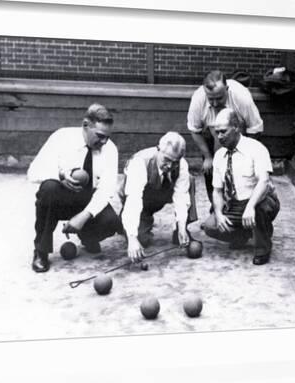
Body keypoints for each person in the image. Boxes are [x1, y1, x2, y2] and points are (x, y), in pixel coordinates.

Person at [27, 103, 122, 273]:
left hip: (87, 200)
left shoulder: (110, 149)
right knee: (48, 188)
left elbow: (106, 190)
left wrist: (84, 217)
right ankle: (41, 251)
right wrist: (61, 176)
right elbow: (33, 172)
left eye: (107, 136)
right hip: (61, 198)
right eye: (100, 136)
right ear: (86, 125)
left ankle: (87, 236)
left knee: (111, 221)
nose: (104, 141)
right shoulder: (62, 137)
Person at [201, 108, 279, 265]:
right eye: (217, 132)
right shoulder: (219, 155)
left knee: (259, 210)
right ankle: (244, 234)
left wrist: (250, 206)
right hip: (235, 204)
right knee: (210, 226)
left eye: (223, 131)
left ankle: (263, 247)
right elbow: (217, 190)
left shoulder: (256, 148)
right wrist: (218, 213)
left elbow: (263, 182)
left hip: (259, 200)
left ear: (236, 127)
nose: (219, 136)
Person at [187, 70, 264, 205]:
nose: (215, 103)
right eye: (211, 99)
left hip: (240, 134)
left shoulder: (242, 98)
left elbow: (255, 128)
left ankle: (243, 203)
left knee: (240, 168)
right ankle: (216, 207)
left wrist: (244, 154)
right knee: (211, 168)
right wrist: (208, 157)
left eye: (219, 98)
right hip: (210, 134)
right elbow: (194, 130)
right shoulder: (198, 99)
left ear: (227, 89)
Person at [118, 132, 198, 263]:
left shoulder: (181, 164)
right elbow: (134, 200)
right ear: (158, 149)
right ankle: (125, 223)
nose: (170, 166)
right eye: (166, 160)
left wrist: (181, 225)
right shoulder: (139, 162)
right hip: (141, 199)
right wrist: (132, 238)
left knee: (189, 180)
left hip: (162, 192)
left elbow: (181, 196)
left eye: (175, 162)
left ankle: (180, 232)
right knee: (142, 240)